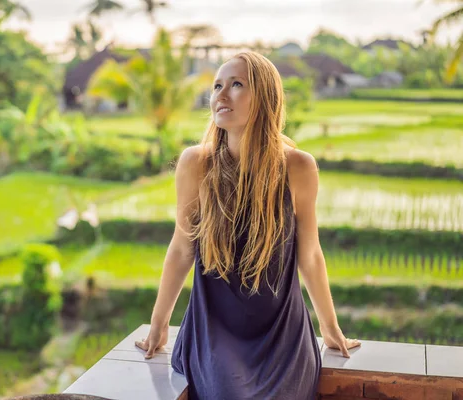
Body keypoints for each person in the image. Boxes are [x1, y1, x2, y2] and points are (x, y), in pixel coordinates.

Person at [134, 51, 361, 399]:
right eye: (217, 86)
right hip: (214, 330)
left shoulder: (298, 167)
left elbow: (311, 254)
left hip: (281, 333)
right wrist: (159, 323)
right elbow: (182, 247)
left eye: (237, 85)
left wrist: (330, 328)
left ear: (265, 97)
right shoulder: (196, 163)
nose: (221, 96)